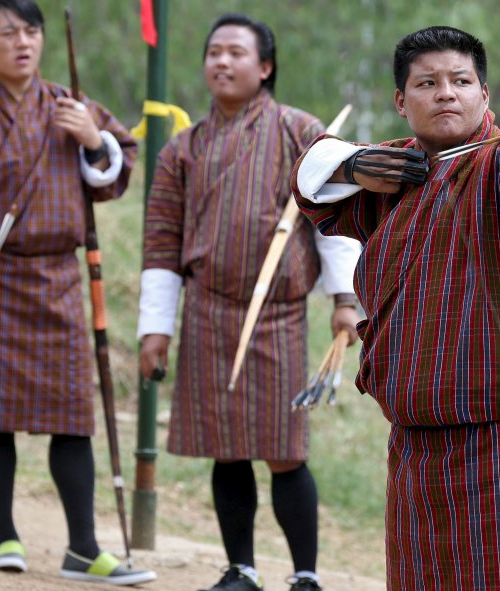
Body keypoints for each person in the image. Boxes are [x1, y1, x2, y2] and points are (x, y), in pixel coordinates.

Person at [293, 25, 500, 590]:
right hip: (417, 453)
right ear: (402, 103)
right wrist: (355, 168)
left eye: (460, 80)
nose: (445, 93)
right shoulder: (389, 173)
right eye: (426, 83)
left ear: (486, 96)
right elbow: (313, 171)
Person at [0, 0, 154, 586]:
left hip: (58, 279)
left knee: (73, 415)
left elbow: (119, 167)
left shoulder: (69, 105)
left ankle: (83, 546)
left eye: (32, 31)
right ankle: (5, 535)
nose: (24, 43)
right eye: (9, 33)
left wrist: (92, 139)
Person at [137, 13, 360, 591]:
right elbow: (161, 241)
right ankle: (241, 569)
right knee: (226, 448)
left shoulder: (301, 131)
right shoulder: (182, 149)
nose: (222, 62)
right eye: (214, 52)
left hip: (280, 314)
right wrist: (155, 330)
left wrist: (344, 297)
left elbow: (334, 219)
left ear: (264, 67)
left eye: (236, 52)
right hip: (207, 312)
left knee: (284, 449)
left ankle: (306, 576)